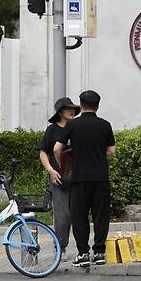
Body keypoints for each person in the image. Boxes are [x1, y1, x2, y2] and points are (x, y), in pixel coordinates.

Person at [54, 90, 116, 267]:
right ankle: (99, 253)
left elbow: (57, 149)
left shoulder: (72, 125)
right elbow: (112, 151)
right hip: (100, 177)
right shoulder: (105, 125)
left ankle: (83, 254)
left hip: (79, 178)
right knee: (100, 216)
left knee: (79, 217)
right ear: (97, 106)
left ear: (81, 106)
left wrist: (64, 166)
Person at [38, 97, 80, 261]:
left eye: (73, 108)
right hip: (58, 177)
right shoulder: (52, 130)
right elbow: (43, 152)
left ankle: (81, 249)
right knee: (62, 216)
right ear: (60, 112)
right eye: (68, 108)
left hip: (78, 177)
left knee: (78, 215)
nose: (72, 111)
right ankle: (60, 248)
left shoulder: (77, 127)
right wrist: (50, 171)